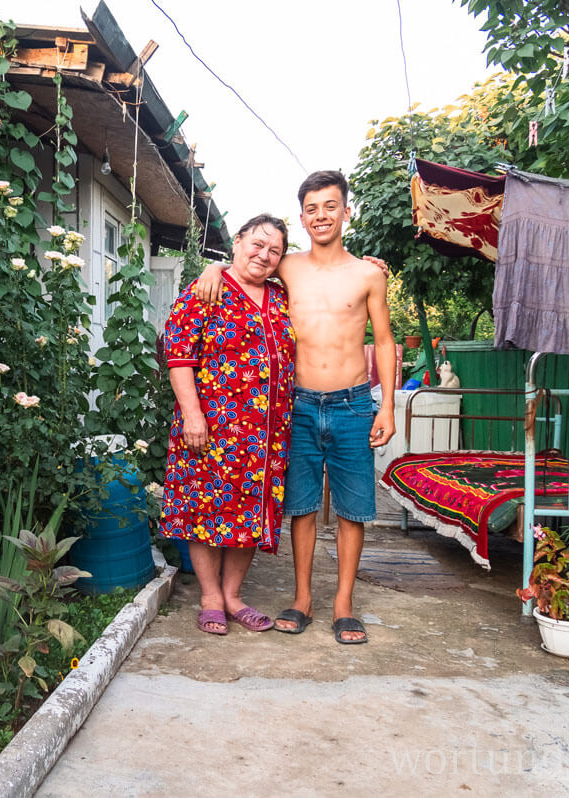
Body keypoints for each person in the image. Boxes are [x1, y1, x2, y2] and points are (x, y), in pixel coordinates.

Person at [195, 171, 396, 644]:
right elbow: (247, 267)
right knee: (301, 507)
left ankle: (343, 603)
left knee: (352, 510)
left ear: (347, 211)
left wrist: (387, 406)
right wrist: (212, 267)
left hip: (352, 405)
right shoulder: (288, 267)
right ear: (302, 216)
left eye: (331, 206)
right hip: (298, 405)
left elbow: (384, 343)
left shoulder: (369, 273)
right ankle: (302, 597)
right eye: (312, 208)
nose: (321, 215)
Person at [160, 214, 296, 635]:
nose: (264, 255)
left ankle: (234, 597)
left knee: (248, 514)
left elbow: (326, 271)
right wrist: (192, 415)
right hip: (211, 427)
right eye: (256, 244)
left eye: (274, 250)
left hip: (267, 435)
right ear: (236, 242)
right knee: (203, 508)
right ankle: (209, 597)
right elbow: (179, 356)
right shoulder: (207, 289)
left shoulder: (281, 295)